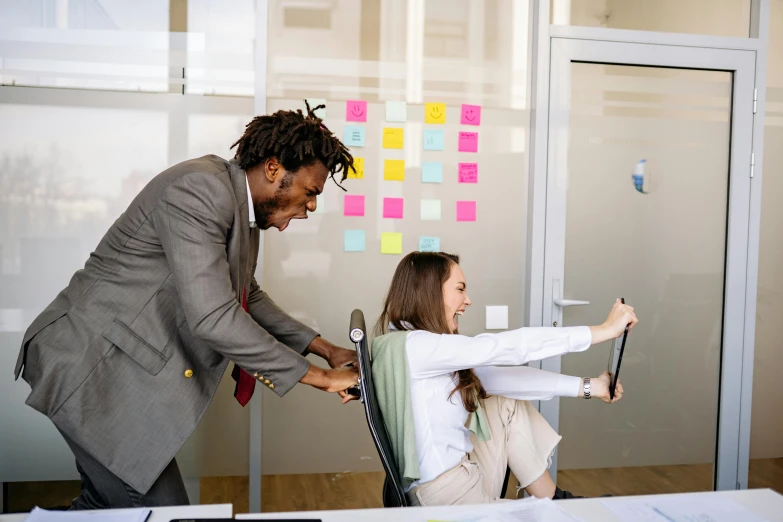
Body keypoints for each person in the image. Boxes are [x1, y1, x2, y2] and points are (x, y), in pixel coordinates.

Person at [13, 102, 361, 509]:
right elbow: (214, 317)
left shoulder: (240, 208)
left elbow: (245, 295)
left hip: (107, 368)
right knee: (165, 515)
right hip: (90, 365)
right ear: (272, 168)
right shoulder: (201, 189)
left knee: (102, 507)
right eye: (312, 191)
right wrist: (321, 378)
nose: (314, 205)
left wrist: (325, 348)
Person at [373, 252, 637, 506]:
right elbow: (511, 345)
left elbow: (499, 377)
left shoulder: (404, 343)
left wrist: (589, 387)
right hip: (447, 497)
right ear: (430, 291)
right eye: (460, 289)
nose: (468, 300)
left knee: (503, 403)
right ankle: (553, 508)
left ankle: (553, 500)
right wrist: (603, 331)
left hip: (459, 478)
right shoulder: (420, 346)